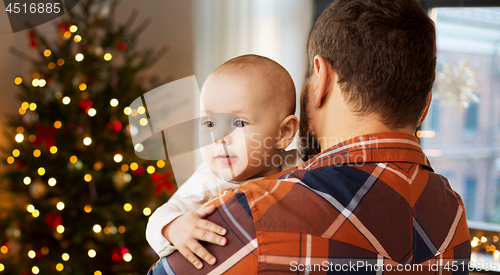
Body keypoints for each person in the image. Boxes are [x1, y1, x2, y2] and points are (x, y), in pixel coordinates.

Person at [148, 0, 471, 274]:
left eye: (239, 123)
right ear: (425, 106)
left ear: (322, 78)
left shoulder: (255, 214)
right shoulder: (454, 214)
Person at [146, 54, 303, 266]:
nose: (218, 137)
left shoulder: (301, 166)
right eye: (210, 124)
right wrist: (174, 227)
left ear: (283, 133)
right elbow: (158, 218)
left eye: (239, 123)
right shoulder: (208, 181)